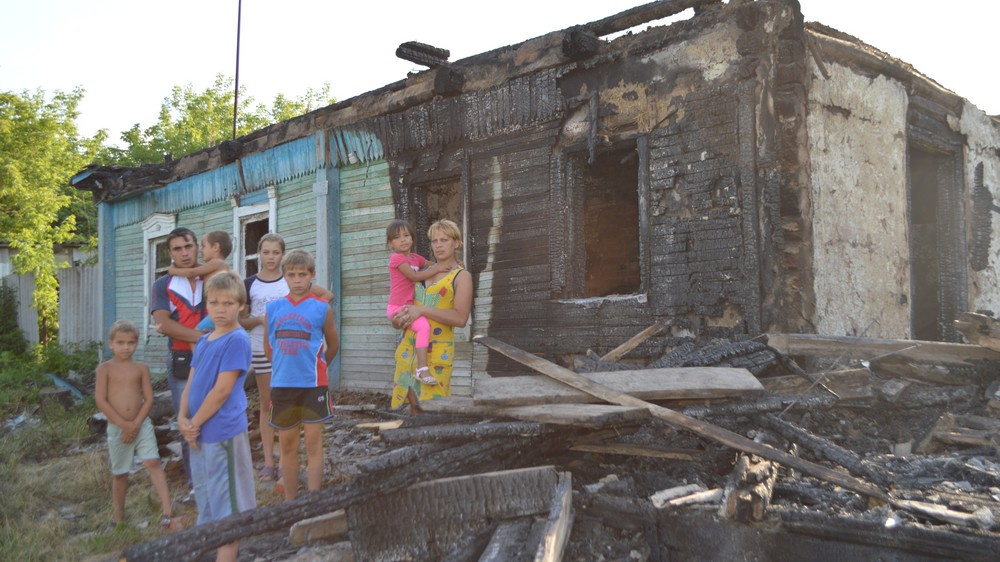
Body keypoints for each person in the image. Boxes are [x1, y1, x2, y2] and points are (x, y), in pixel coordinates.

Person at [241, 233, 333, 483]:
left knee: (299, 418)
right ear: (259, 253)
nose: (270, 256)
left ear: (282, 254)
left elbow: (325, 297)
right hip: (264, 347)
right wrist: (260, 320)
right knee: (267, 401)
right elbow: (241, 318)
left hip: (298, 354)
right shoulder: (250, 283)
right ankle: (271, 461)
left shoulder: (288, 280)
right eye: (266, 252)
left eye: (275, 252)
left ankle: (285, 464)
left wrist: (311, 314)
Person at [177, 271, 255, 562]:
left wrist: (194, 424)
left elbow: (222, 390)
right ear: (206, 305)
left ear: (241, 307)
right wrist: (183, 418)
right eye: (214, 303)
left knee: (228, 507)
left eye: (228, 303)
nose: (220, 310)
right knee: (207, 498)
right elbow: (192, 382)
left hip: (221, 432)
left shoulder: (236, 340)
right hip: (197, 434)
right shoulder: (206, 339)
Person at [263, 249, 339, 500]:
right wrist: (284, 368)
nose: (297, 280)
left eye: (302, 275)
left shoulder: (321, 308)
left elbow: (333, 344)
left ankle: (314, 499)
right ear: (284, 276)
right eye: (291, 275)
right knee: (287, 444)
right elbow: (268, 345)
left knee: (314, 443)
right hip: (283, 385)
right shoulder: (273, 309)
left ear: (312, 276)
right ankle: (291, 503)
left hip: (313, 386)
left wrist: (319, 367)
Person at [94, 320, 174, 531]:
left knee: (153, 462)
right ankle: (118, 519)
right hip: (117, 428)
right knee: (120, 473)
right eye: (120, 342)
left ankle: (167, 512)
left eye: (130, 342)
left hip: (141, 424)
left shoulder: (141, 368)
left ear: (136, 344)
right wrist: (124, 425)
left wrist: (136, 424)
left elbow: (148, 399)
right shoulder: (105, 369)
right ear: (111, 344)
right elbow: (101, 400)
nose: (126, 347)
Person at [390, 219, 473, 411]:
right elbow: (404, 308)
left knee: (431, 409)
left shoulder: (461, 277)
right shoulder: (420, 272)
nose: (438, 245)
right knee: (406, 408)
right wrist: (397, 321)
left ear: (456, 243)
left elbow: (460, 319)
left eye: (444, 240)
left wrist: (423, 310)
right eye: (434, 241)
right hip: (408, 350)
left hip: (437, 354)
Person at [150, 227, 206, 488]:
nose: (184, 253)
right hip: (182, 360)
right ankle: (196, 484)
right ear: (169, 253)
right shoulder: (163, 284)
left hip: (216, 359)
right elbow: (163, 323)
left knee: (217, 416)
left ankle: (217, 479)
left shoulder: (213, 276)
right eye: (177, 249)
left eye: (188, 246)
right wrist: (202, 337)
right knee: (187, 420)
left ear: (197, 246)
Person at [385, 219, 447, 386]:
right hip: (398, 307)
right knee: (424, 327)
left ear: (412, 238)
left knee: (420, 330)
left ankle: (416, 369)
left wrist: (451, 266)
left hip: (410, 307)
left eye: (406, 235)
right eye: (397, 237)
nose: (403, 240)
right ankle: (422, 368)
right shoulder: (396, 258)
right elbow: (414, 277)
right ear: (391, 243)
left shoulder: (416, 258)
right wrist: (437, 269)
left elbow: (433, 265)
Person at [168, 230, 234, 334]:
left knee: (196, 334)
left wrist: (172, 270)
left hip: (218, 309)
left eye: (203, 246)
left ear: (215, 247)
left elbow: (192, 272)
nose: (201, 250)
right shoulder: (213, 266)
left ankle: (198, 350)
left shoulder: (217, 263)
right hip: (215, 309)